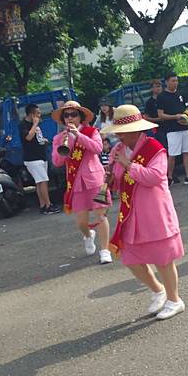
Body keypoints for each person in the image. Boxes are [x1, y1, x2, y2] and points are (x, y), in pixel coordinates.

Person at [101, 105, 185, 320]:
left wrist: (129, 165)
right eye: (117, 131)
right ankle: (158, 290)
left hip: (154, 210)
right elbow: (119, 182)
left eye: (122, 130)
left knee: (163, 258)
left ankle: (175, 300)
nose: (118, 136)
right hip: (130, 211)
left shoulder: (154, 148)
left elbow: (155, 177)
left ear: (136, 129)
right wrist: (109, 179)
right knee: (130, 258)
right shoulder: (117, 150)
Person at [51, 100, 112, 265]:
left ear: (81, 117)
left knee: (101, 215)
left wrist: (78, 135)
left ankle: (105, 250)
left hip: (95, 180)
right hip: (76, 183)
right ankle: (88, 235)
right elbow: (56, 162)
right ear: (63, 119)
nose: (70, 118)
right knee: (81, 222)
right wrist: (66, 142)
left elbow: (97, 149)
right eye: (66, 115)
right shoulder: (58, 138)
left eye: (74, 114)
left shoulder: (92, 132)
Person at [156, 72, 188, 186]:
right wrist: (175, 117)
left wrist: (187, 118)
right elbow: (160, 115)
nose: (175, 83)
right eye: (173, 81)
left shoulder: (181, 94)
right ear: (166, 82)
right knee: (173, 154)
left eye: (176, 80)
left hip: (185, 127)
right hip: (172, 129)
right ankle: (169, 177)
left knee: (187, 152)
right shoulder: (162, 97)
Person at [19, 104, 60, 214]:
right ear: (32, 114)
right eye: (37, 113)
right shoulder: (23, 125)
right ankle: (48, 205)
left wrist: (44, 141)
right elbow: (28, 137)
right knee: (43, 181)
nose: (39, 115)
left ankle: (42, 205)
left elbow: (37, 138)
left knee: (39, 182)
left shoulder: (35, 125)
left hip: (41, 156)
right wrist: (35, 124)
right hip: (32, 158)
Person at [143, 80, 165, 146]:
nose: (159, 88)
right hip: (158, 130)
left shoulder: (166, 98)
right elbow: (146, 117)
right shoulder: (149, 102)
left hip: (170, 127)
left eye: (160, 86)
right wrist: (159, 119)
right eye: (157, 86)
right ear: (152, 89)